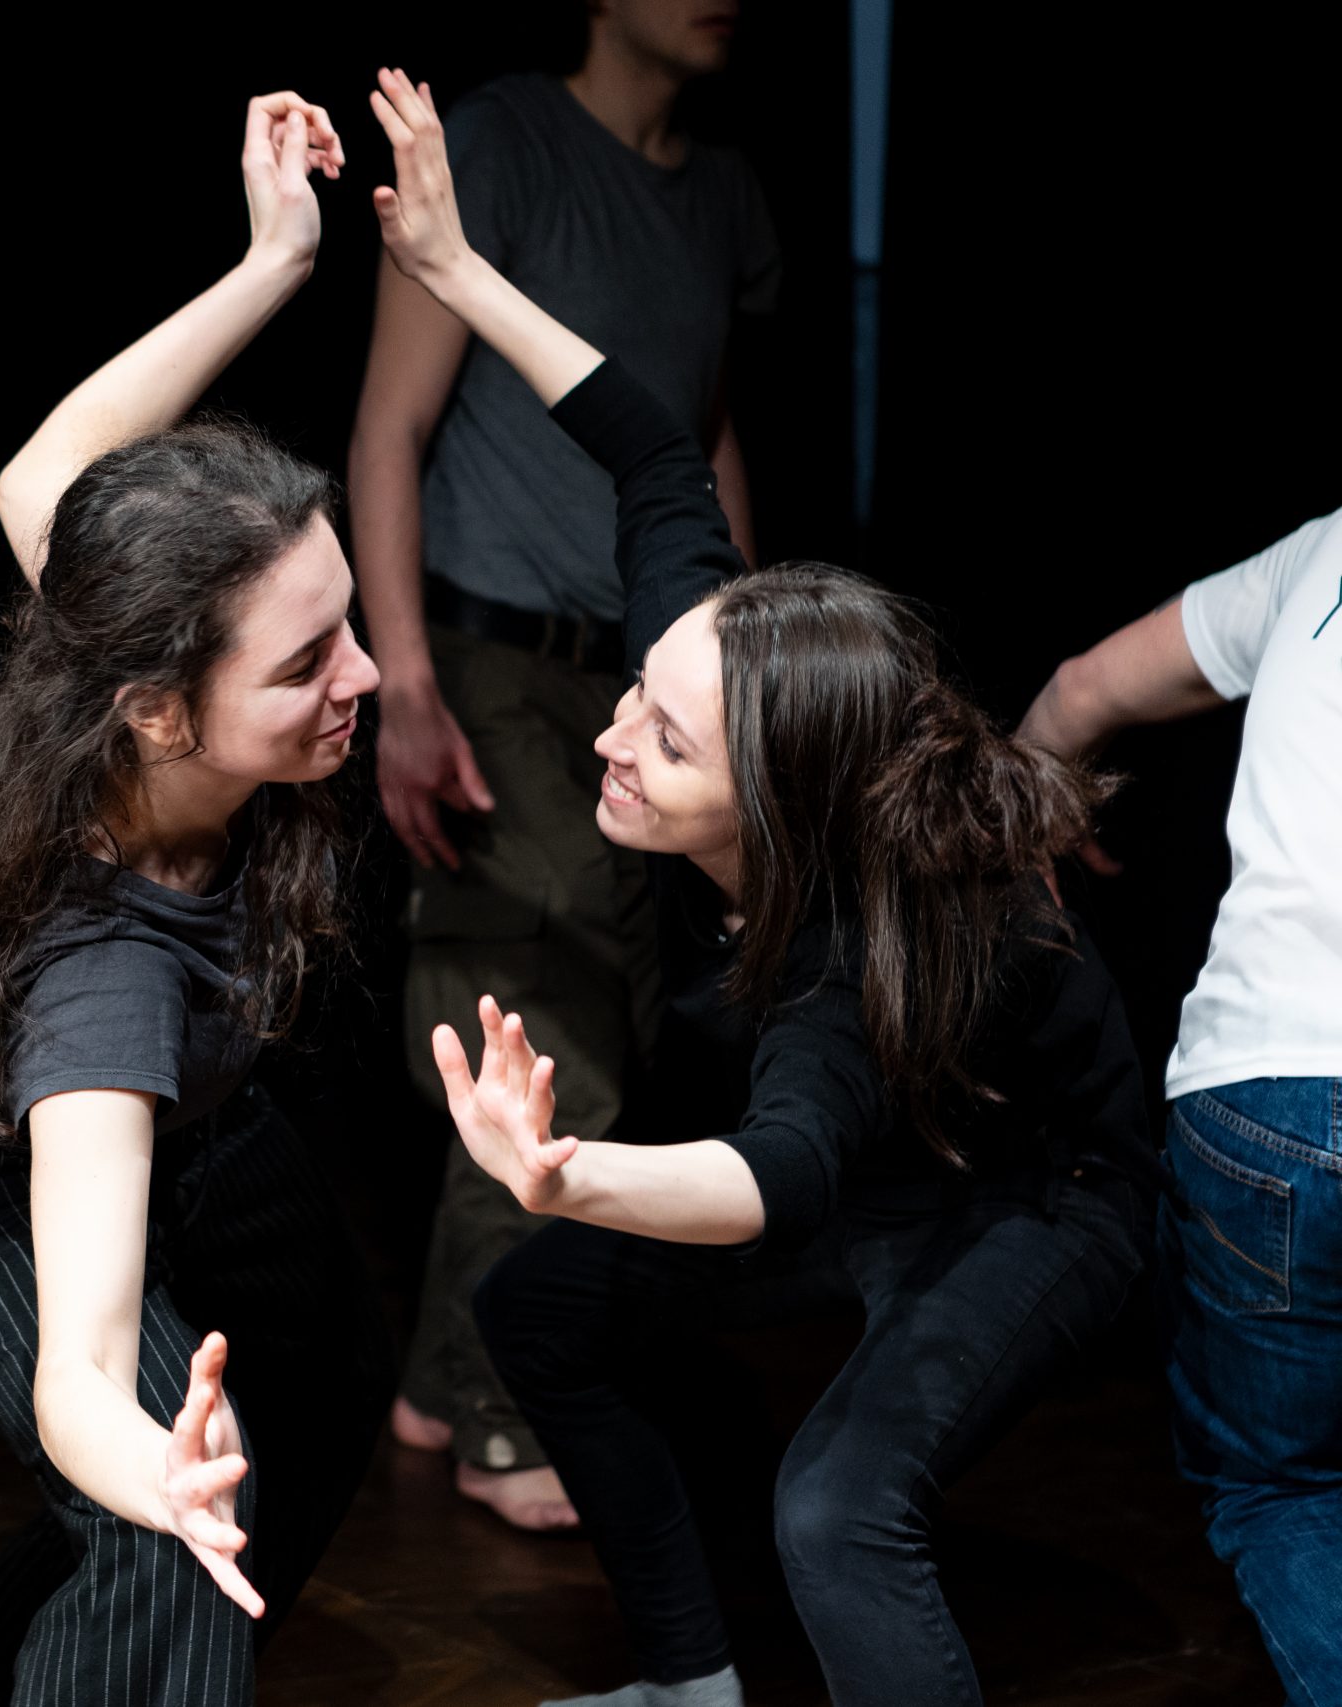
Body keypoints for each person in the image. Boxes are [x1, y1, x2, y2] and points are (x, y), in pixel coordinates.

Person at [367, 68, 1151, 1707]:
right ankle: (692, 1685)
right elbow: (652, 441)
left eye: (664, 741)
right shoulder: (718, 649)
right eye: (637, 694)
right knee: (538, 1311)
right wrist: (451, 267)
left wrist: (566, 1170)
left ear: (777, 805)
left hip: (1039, 1193)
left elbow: (778, 1174)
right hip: (880, 1153)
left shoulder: (859, 947)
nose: (612, 733)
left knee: (838, 1508)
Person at [0, 91, 394, 1707]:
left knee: (330, 1369)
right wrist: (152, 1468)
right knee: (171, 1527)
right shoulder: (98, 986)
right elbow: (79, 1364)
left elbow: (45, 471)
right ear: (158, 710)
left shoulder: (112, 629)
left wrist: (277, 259)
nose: (363, 676)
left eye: (348, 622)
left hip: (200, 1112)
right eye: (307, 662)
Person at [348, 0, 780, 1528]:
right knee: (542, 1034)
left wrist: (748, 666)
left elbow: (693, 440)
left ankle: (438, 1378)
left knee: (611, 1019)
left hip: (643, 671)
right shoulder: (508, 142)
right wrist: (405, 680)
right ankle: (503, 1418)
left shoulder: (721, 195)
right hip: (493, 664)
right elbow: (390, 428)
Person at [1016, 512, 1342, 1706]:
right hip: (1276, 1091)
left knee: (1284, 1491)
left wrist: (1026, 809)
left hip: (1270, 1091)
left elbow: (1080, 690)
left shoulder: (1325, 552)